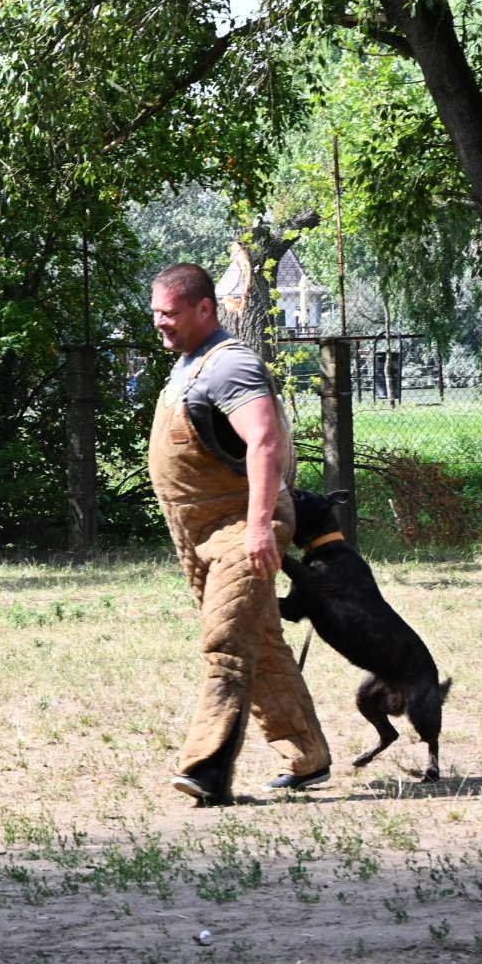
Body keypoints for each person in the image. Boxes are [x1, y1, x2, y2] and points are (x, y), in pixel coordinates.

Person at [147, 263, 331, 806]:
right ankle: (307, 755)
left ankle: (206, 770)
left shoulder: (230, 366)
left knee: (226, 645)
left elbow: (266, 442)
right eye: (155, 313)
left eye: (170, 314)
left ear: (205, 309)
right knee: (262, 641)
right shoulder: (188, 364)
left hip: (239, 529)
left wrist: (258, 528)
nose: (160, 323)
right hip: (199, 535)